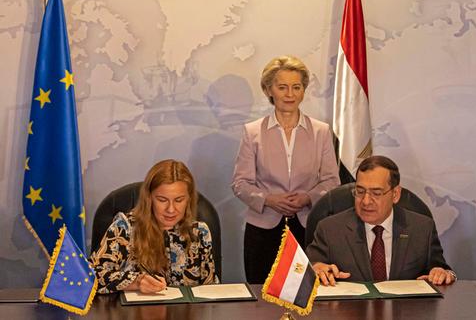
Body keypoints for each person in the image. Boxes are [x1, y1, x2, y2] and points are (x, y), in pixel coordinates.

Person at [232, 55, 340, 284]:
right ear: (269, 90)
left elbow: (332, 181)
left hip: (307, 227)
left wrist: (307, 198)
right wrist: (269, 199)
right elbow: (240, 183)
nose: (290, 94)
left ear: (303, 91)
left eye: (296, 87)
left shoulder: (321, 131)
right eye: (282, 87)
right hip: (263, 229)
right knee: (263, 297)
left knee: (307, 295)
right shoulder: (253, 132)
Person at [307, 155, 456, 286]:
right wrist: (316, 268)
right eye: (360, 191)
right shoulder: (330, 229)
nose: (365, 201)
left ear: (395, 194)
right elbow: (308, 268)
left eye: (376, 193)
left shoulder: (422, 229)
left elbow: (441, 270)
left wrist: (442, 273)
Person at [91, 160, 218, 294]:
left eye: (179, 200)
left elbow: (210, 289)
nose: (171, 209)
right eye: (162, 200)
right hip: (135, 314)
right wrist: (136, 281)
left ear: (189, 199)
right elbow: (91, 276)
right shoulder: (124, 228)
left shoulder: (199, 232)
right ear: (149, 198)